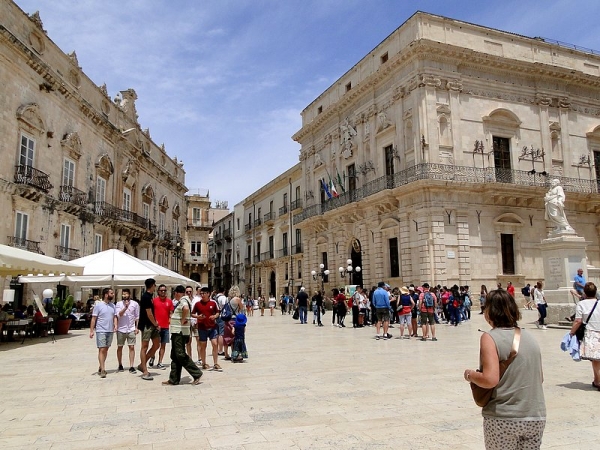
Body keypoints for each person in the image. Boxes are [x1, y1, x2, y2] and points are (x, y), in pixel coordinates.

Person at [464, 289, 546, 449]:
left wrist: (470, 375)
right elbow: (540, 378)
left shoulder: (490, 337)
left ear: (489, 312)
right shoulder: (530, 337)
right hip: (535, 417)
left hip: (504, 418)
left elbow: (490, 379)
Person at [162, 285, 202, 386]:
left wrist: (183, 319)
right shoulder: (186, 299)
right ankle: (174, 379)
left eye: (175, 293)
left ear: (178, 293)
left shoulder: (184, 300)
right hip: (179, 331)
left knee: (180, 354)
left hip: (179, 332)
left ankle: (196, 373)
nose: (174, 295)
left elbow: (185, 308)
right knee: (175, 355)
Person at [568, 282, 600, 390]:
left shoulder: (581, 304)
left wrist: (572, 332)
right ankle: (596, 380)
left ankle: (598, 381)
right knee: (596, 359)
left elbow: (578, 321)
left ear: (585, 293)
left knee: (595, 359)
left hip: (591, 333)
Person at [192, 286, 222, 371]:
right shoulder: (197, 304)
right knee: (203, 346)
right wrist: (198, 316)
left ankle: (215, 363)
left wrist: (214, 316)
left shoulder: (213, 303)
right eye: (201, 293)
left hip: (212, 327)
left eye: (204, 293)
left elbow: (217, 312)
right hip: (202, 328)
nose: (202, 295)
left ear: (208, 294)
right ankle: (204, 363)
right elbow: (192, 314)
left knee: (215, 344)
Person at [89, 287, 116, 379]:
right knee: (102, 349)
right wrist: (91, 330)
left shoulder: (113, 306)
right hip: (101, 330)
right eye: (111, 293)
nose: (113, 295)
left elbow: (115, 317)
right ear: (106, 294)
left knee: (106, 349)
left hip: (110, 330)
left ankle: (101, 365)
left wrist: (115, 325)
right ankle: (103, 369)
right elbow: (94, 318)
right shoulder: (98, 305)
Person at [137, 278, 160, 381]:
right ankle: (145, 370)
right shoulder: (146, 297)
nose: (156, 287)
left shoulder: (150, 296)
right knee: (144, 347)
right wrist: (155, 324)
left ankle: (142, 364)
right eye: (155, 285)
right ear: (152, 285)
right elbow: (149, 313)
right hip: (147, 325)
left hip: (152, 325)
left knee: (156, 345)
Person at [115, 288, 139, 373]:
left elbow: (137, 316)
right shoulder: (118, 304)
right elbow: (118, 315)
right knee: (120, 347)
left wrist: (137, 327)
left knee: (131, 346)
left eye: (126, 294)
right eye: (123, 294)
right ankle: (120, 364)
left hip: (131, 328)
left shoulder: (135, 304)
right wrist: (125, 307)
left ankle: (131, 366)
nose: (125, 296)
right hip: (121, 329)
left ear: (129, 295)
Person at [153, 284, 173, 370]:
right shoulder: (154, 301)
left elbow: (171, 313)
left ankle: (160, 362)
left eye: (164, 290)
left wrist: (170, 319)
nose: (163, 292)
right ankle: (152, 356)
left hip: (165, 326)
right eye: (161, 290)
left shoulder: (169, 301)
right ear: (158, 292)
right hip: (156, 326)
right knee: (155, 345)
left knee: (163, 345)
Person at [222, 286, 245, 360]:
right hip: (234, 320)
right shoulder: (237, 299)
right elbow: (242, 308)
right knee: (234, 338)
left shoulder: (228, 299)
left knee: (227, 337)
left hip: (227, 320)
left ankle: (226, 354)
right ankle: (235, 354)